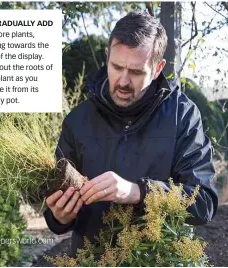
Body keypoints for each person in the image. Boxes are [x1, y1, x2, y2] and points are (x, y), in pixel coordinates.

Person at [43, 11, 218, 257]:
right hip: (91, 260)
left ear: (157, 69)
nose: (123, 81)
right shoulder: (77, 121)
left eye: (136, 72)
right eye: (116, 67)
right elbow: (55, 210)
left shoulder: (183, 116)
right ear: (107, 57)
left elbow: (204, 203)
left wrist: (138, 192)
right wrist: (58, 216)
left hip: (157, 260)